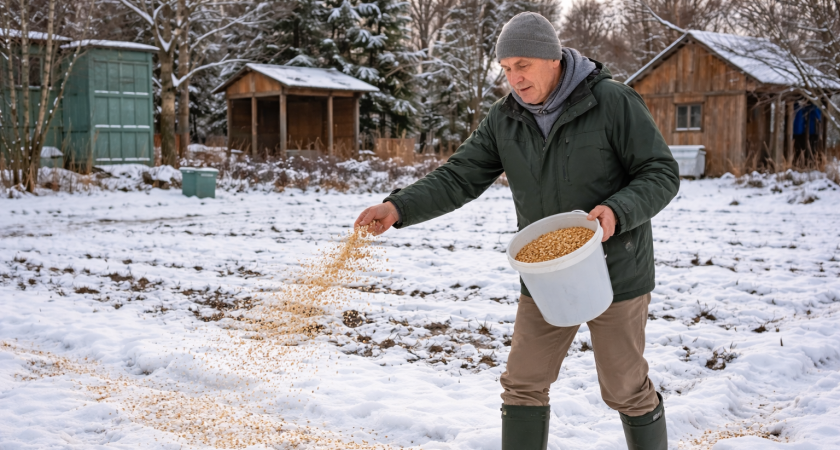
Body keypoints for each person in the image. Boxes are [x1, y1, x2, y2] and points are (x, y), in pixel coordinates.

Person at [354, 11, 679, 450]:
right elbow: (459, 176)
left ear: (552, 59)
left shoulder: (613, 102)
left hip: (615, 266)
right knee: (523, 382)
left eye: (522, 65)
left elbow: (660, 171)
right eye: (506, 69)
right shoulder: (503, 120)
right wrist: (398, 206)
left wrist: (617, 212)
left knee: (622, 388)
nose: (515, 79)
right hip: (545, 270)